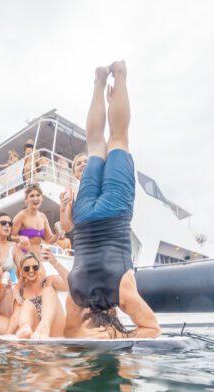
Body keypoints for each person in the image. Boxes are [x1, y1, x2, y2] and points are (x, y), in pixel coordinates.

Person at [65, 62, 160, 340]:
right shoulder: (76, 295)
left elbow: (152, 328)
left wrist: (121, 338)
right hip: (83, 219)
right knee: (95, 144)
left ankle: (120, 73)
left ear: (113, 316)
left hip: (113, 213)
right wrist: (88, 335)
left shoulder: (124, 294)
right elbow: (70, 331)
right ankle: (97, 80)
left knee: (118, 138)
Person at [10, 252, 66, 339]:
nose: (31, 270)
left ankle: (44, 325)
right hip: (36, 333)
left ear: (39, 268)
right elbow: (15, 318)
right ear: (22, 272)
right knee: (27, 303)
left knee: (48, 290)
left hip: (54, 329)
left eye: (35, 267)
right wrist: (5, 337)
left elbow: (71, 285)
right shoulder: (20, 293)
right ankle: (25, 328)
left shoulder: (49, 281)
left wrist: (56, 263)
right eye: (27, 268)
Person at [11, 184, 56, 256]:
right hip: (23, 256)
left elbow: (50, 239)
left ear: (42, 198)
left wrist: (58, 234)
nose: (35, 199)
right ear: (26, 200)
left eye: (38, 195)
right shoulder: (21, 215)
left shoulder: (43, 216)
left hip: (38, 257)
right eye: (32, 196)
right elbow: (9, 237)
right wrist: (19, 239)